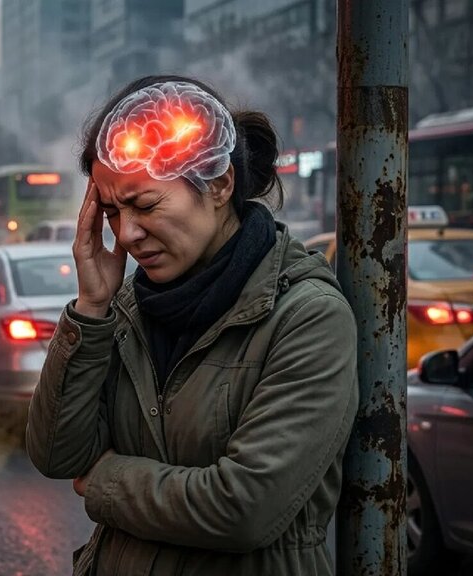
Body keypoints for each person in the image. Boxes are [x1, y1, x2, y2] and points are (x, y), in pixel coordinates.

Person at [25, 76, 359, 575]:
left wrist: (107, 481)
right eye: (112, 212)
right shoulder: (123, 310)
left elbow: (244, 509)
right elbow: (57, 454)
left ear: (220, 184)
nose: (128, 233)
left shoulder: (305, 315)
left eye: (145, 204)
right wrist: (91, 308)